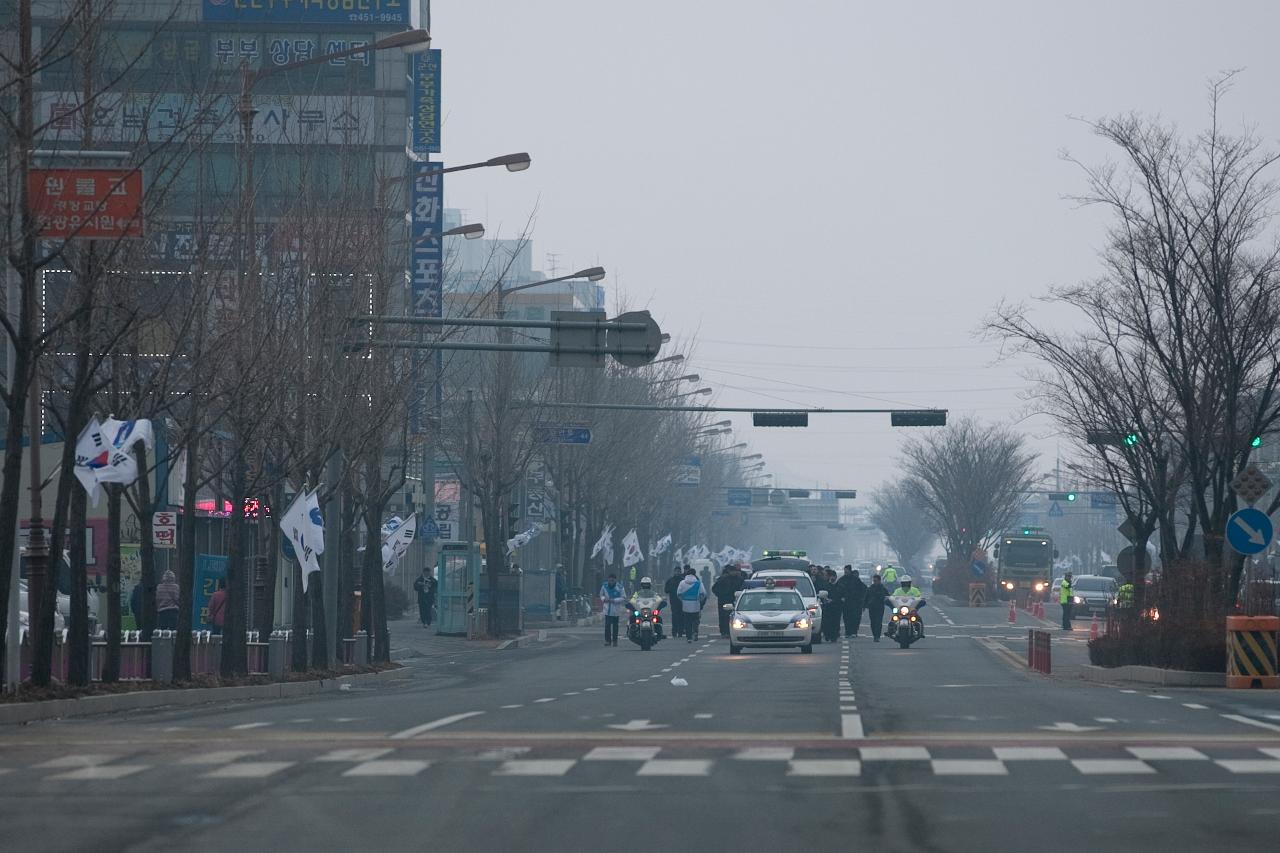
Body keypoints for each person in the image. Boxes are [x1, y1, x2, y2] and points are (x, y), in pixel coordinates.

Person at [712, 565, 744, 637]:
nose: (734, 573)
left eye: (735, 571)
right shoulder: (723, 579)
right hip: (724, 601)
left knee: (736, 617)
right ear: (730, 571)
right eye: (733, 571)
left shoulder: (740, 579)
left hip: (736, 601)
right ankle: (724, 632)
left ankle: (732, 631)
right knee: (724, 617)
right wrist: (721, 595)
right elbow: (714, 589)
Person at [677, 567, 707, 642]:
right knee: (695, 620)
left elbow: (678, 593)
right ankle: (695, 632)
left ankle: (689, 637)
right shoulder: (698, 583)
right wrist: (700, 601)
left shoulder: (682, 583)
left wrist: (683, 600)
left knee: (687, 622)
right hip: (696, 605)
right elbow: (703, 593)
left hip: (686, 605)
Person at [836, 566, 867, 638]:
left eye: (847, 571)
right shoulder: (841, 580)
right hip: (845, 603)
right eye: (845, 571)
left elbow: (863, 589)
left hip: (855, 603)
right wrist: (840, 598)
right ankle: (848, 632)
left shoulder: (856, 580)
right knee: (846, 618)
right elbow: (837, 590)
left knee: (854, 617)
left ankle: (854, 631)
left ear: (850, 571)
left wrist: (861, 600)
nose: (845, 572)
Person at [600, 573, 627, 646]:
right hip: (607, 609)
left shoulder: (620, 587)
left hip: (616, 610)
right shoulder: (604, 586)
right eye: (610, 579)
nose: (611, 581)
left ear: (615, 580)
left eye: (613, 580)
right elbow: (601, 595)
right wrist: (604, 599)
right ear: (608, 579)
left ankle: (615, 641)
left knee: (615, 626)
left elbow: (623, 597)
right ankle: (607, 641)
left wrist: (614, 600)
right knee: (607, 625)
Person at [864, 572, 889, 642]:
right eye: (874, 581)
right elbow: (866, 597)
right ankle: (874, 634)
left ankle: (877, 636)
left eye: (876, 581)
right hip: (871, 607)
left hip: (880, 607)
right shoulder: (870, 588)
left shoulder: (883, 588)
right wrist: (864, 605)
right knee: (873, 622)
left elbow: (887, 597)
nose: (875, 582)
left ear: (879, 580)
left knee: (878, 622)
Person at [821, 568, 842, 641]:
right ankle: (827, 635)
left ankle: (834, 636)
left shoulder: (840, 586)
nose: (832, 578)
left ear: (836, 577)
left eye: (834, 576)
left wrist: (834, 600)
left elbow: (841, 596)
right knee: (827, 622)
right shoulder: (826, 585)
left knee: (835, 622)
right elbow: (822, 594)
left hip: (837, 607)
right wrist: (825, 600)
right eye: (831, 576)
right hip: (827, 607)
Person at [665, 566, 686, 639]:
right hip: (673, 601)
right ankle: (674, 632)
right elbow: (666, 590)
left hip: (681, 601)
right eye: (676, 571)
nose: (677, 572)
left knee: (681, 617)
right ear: (674, 572)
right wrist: (671, 590)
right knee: (674, 617)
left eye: (678, 571)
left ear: (680, 572)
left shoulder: (683, 581)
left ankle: (680, 632)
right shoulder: (670, 580)